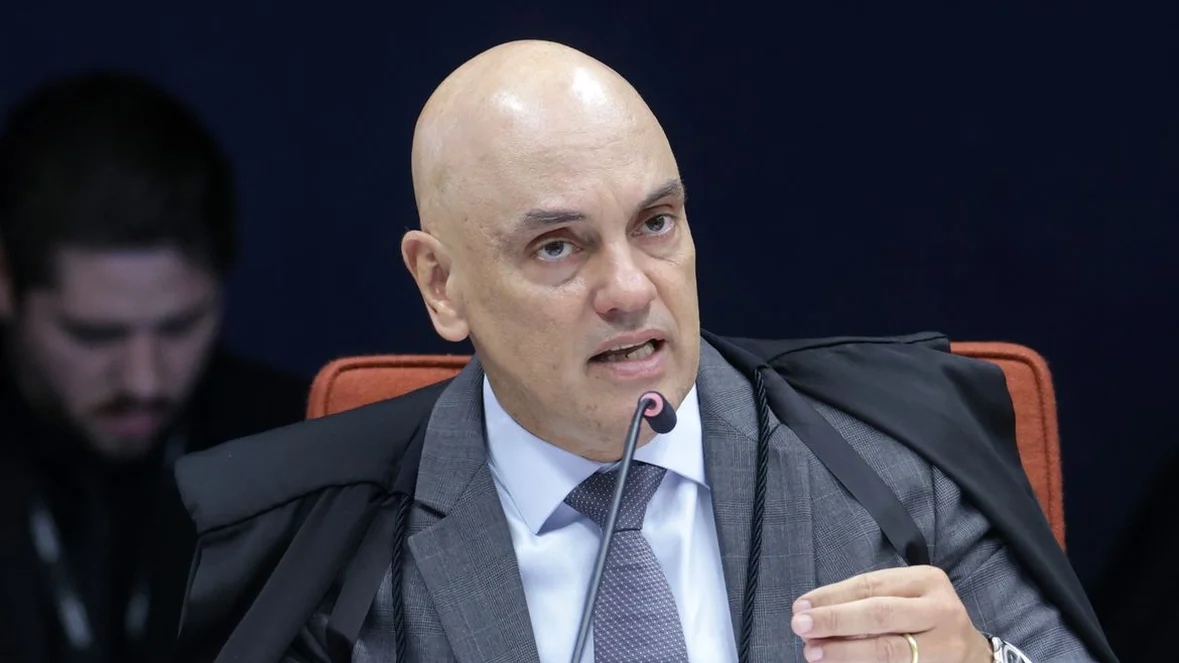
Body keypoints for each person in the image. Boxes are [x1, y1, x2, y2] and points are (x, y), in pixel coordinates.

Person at [172, 40, 1117, 663]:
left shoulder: (895, 460)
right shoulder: (321, 548)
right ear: (441, 284)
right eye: (558, 246)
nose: (629, 288)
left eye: (655, 223)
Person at [0, 71, 309, 663]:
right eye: (94, 335)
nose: (144, 381)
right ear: (6, 284)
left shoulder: (300, 456)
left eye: (180, 326)